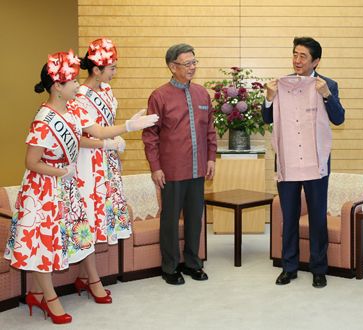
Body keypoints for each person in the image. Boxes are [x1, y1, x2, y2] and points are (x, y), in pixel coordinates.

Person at [3, 50, 158, 324]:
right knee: (45, 245)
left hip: (65, 187)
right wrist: (61, 170)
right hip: (43, 191)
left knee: (66, 240)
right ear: (57, 87)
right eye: (72, 81)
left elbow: (95, 133)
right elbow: (31, 161)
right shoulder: (43, 120)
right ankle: (49, 298)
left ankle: (38, 294)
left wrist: (127, 127)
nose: (78, 85)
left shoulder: (72, 109)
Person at [262, 37, 345, 288]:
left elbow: (339, 119)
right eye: (295, 55)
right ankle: (289, 267)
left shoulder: (328, 84)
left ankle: (319, 269)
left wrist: (327, 95)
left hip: (316, 162)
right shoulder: (280, 84)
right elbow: (267, 118)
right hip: (288, 160)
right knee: (290, 216)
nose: (297, 60)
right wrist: (268, 97)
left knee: (318, 217)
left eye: (303, 56)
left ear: (316, 61)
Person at [142, 43, 217, 285]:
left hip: (198, 169)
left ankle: (193, 263)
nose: (193, 67)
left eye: (195, 62)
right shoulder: (159, 96)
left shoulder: (202, 94)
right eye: (187, 63)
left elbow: (211, 131)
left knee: (196, 218)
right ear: (172, 67)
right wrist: (155, 167)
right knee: (170, 220)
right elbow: (150, 135)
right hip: (171, 171)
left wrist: (211, 158)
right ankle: (170, 267)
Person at [73, 38, 130, 301]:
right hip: (87, 162)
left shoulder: (106, 91)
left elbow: (108, 125)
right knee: (89, 216)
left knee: (102, 216)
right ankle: (92, 280)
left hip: (106, 162)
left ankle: (85, 277)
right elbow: (79, 137)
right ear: (97, 70)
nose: (114, 72)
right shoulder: (78, 97)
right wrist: (108, 141)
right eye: (111, 68)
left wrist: (111, 145)